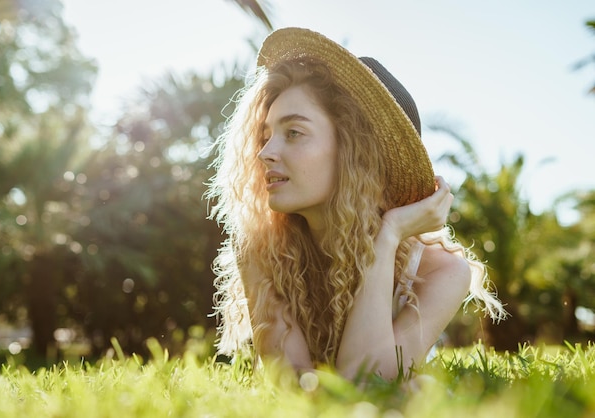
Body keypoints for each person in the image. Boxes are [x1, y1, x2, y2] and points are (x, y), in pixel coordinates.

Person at [206, 27, 506, 381]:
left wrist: (388, 236)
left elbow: (368, 380)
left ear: (355, 154)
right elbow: (291, 382)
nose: (265, 153)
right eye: (266, 136)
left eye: (294, 133)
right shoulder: (259, 249)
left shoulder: (440, 272)